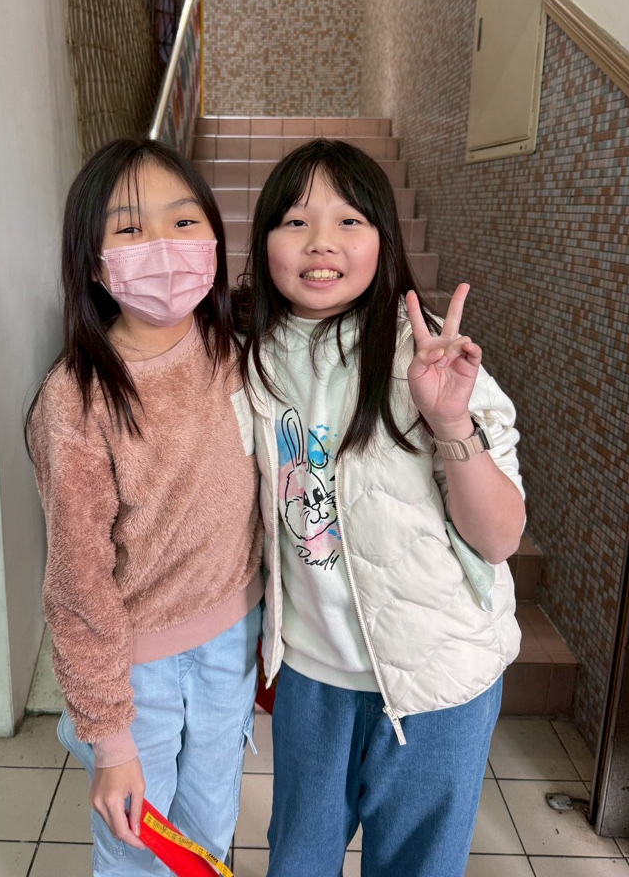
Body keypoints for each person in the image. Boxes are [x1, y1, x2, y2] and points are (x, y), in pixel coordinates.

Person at [235, 138, 525, 877]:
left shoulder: (427, 359)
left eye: (349, 220)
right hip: (313, 681)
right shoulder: (248, 360)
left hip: (439, 684)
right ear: (264, 242)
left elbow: (499, 538)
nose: (321, 242)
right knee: (297, 863)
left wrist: (450, 421)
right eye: (295, 221)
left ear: (383, 240)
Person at [26, 138, 263, 876]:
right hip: (138, 670)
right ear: (95, 263)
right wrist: (110, 738)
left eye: (183, 221)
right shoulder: (76, 399)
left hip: (233, 641)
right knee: (140, 851)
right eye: (130, 229)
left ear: (214, 237)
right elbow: (77, 583)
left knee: (209, 831)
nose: (164, 245)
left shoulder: (237, 349)